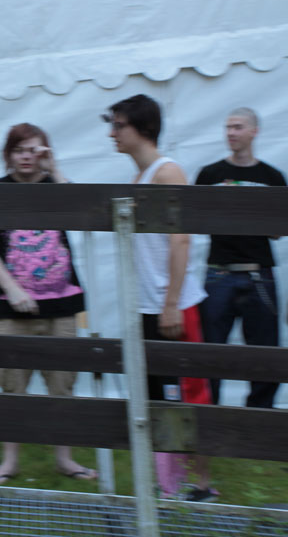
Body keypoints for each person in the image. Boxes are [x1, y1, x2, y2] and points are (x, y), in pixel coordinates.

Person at [103, 94, 216, 502]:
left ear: (144, 128)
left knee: (189, 392)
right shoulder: (138, 178)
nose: (112, 133)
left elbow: (181, 240)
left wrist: (171, 303)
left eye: (119, 125)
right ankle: (168, 485)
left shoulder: (168, 172)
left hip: (175, 305)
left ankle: (202, 484)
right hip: (147, 305)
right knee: (156, 396)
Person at [0, 123, 96, 486]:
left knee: (63, 387)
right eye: (20, 149)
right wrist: (12, 289)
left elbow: (81, 211)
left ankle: (65, 460)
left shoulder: (56, 187)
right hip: (12, 310)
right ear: (8, 154)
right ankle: (9, 463)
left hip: (62, 308)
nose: (26, 157)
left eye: (34, 150)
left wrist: (54, 169)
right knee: (12, 389)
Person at [195, 108, 285, 408]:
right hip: (218, 273)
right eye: (228, 127)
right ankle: (209, 417)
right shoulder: (209, 175)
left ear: (254, 131)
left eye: (237, 127)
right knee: (210, 353)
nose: (231, 133)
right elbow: (195, 220)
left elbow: (278, 232)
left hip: (259, 274)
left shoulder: (272, 177)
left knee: (265, 354)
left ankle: (258, 419)